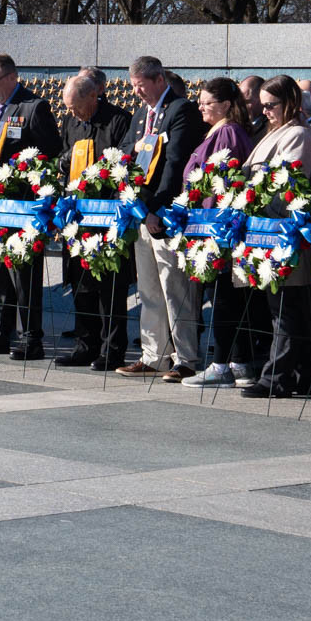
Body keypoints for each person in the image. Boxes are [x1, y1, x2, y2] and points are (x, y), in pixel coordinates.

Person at [0, 53, 62, 360]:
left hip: (19, 204)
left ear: (12, 77)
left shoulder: (33, 107)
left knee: (23, 275)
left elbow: (50, 151)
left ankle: (30, 337)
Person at [119, 59, 206, 382]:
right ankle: (153, 355)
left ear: (159, 79)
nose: (137, 92)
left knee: (175, 288)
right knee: (149, 289)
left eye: (141, 84)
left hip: (165, 214)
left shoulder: (180, 110)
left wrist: (156, 207)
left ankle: (185, 358)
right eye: (133, 86)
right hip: (141, 212)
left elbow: (175, 163)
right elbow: (128, 151)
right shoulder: (142, 115)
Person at [242, 76, 311, 398]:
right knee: (280, 307)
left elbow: (286, 182)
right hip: (264, 229)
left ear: (289, 101)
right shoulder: (272, 132)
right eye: (262, 105)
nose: (265, 112)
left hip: (282, 231)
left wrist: (248, 193)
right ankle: (292, 374)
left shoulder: (297, 133)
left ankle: (276, 376)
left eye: (270, 105)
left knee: (285, 308)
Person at [53, 72, 133, 369]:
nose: (73, 113)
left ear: (93, 96)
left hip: (108, 214)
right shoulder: (71, 121)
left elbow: (124, 161)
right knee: (80, 282)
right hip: (78, 215)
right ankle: (85, 344)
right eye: (69, 109)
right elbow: (63, 152)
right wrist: (65, 161)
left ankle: (112, 350)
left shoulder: (119, 119)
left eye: (76, 107)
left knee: (110, 286)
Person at [182, 78, 258, 388]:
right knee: (225, 296)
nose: (200, 106)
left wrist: (207, 233)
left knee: (224, 296)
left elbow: (220, 181)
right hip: (210, 226)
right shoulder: (221, 130)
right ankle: (237, 361)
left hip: (215, 229)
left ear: (226, 105)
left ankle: (222, 363)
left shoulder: (227, 133)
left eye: (207, 102)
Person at [239, 75, 267, 141]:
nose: (241, 105)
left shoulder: (271, 126)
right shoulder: (235, 123)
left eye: (246, 101)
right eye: (239, 101)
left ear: (261, 98)